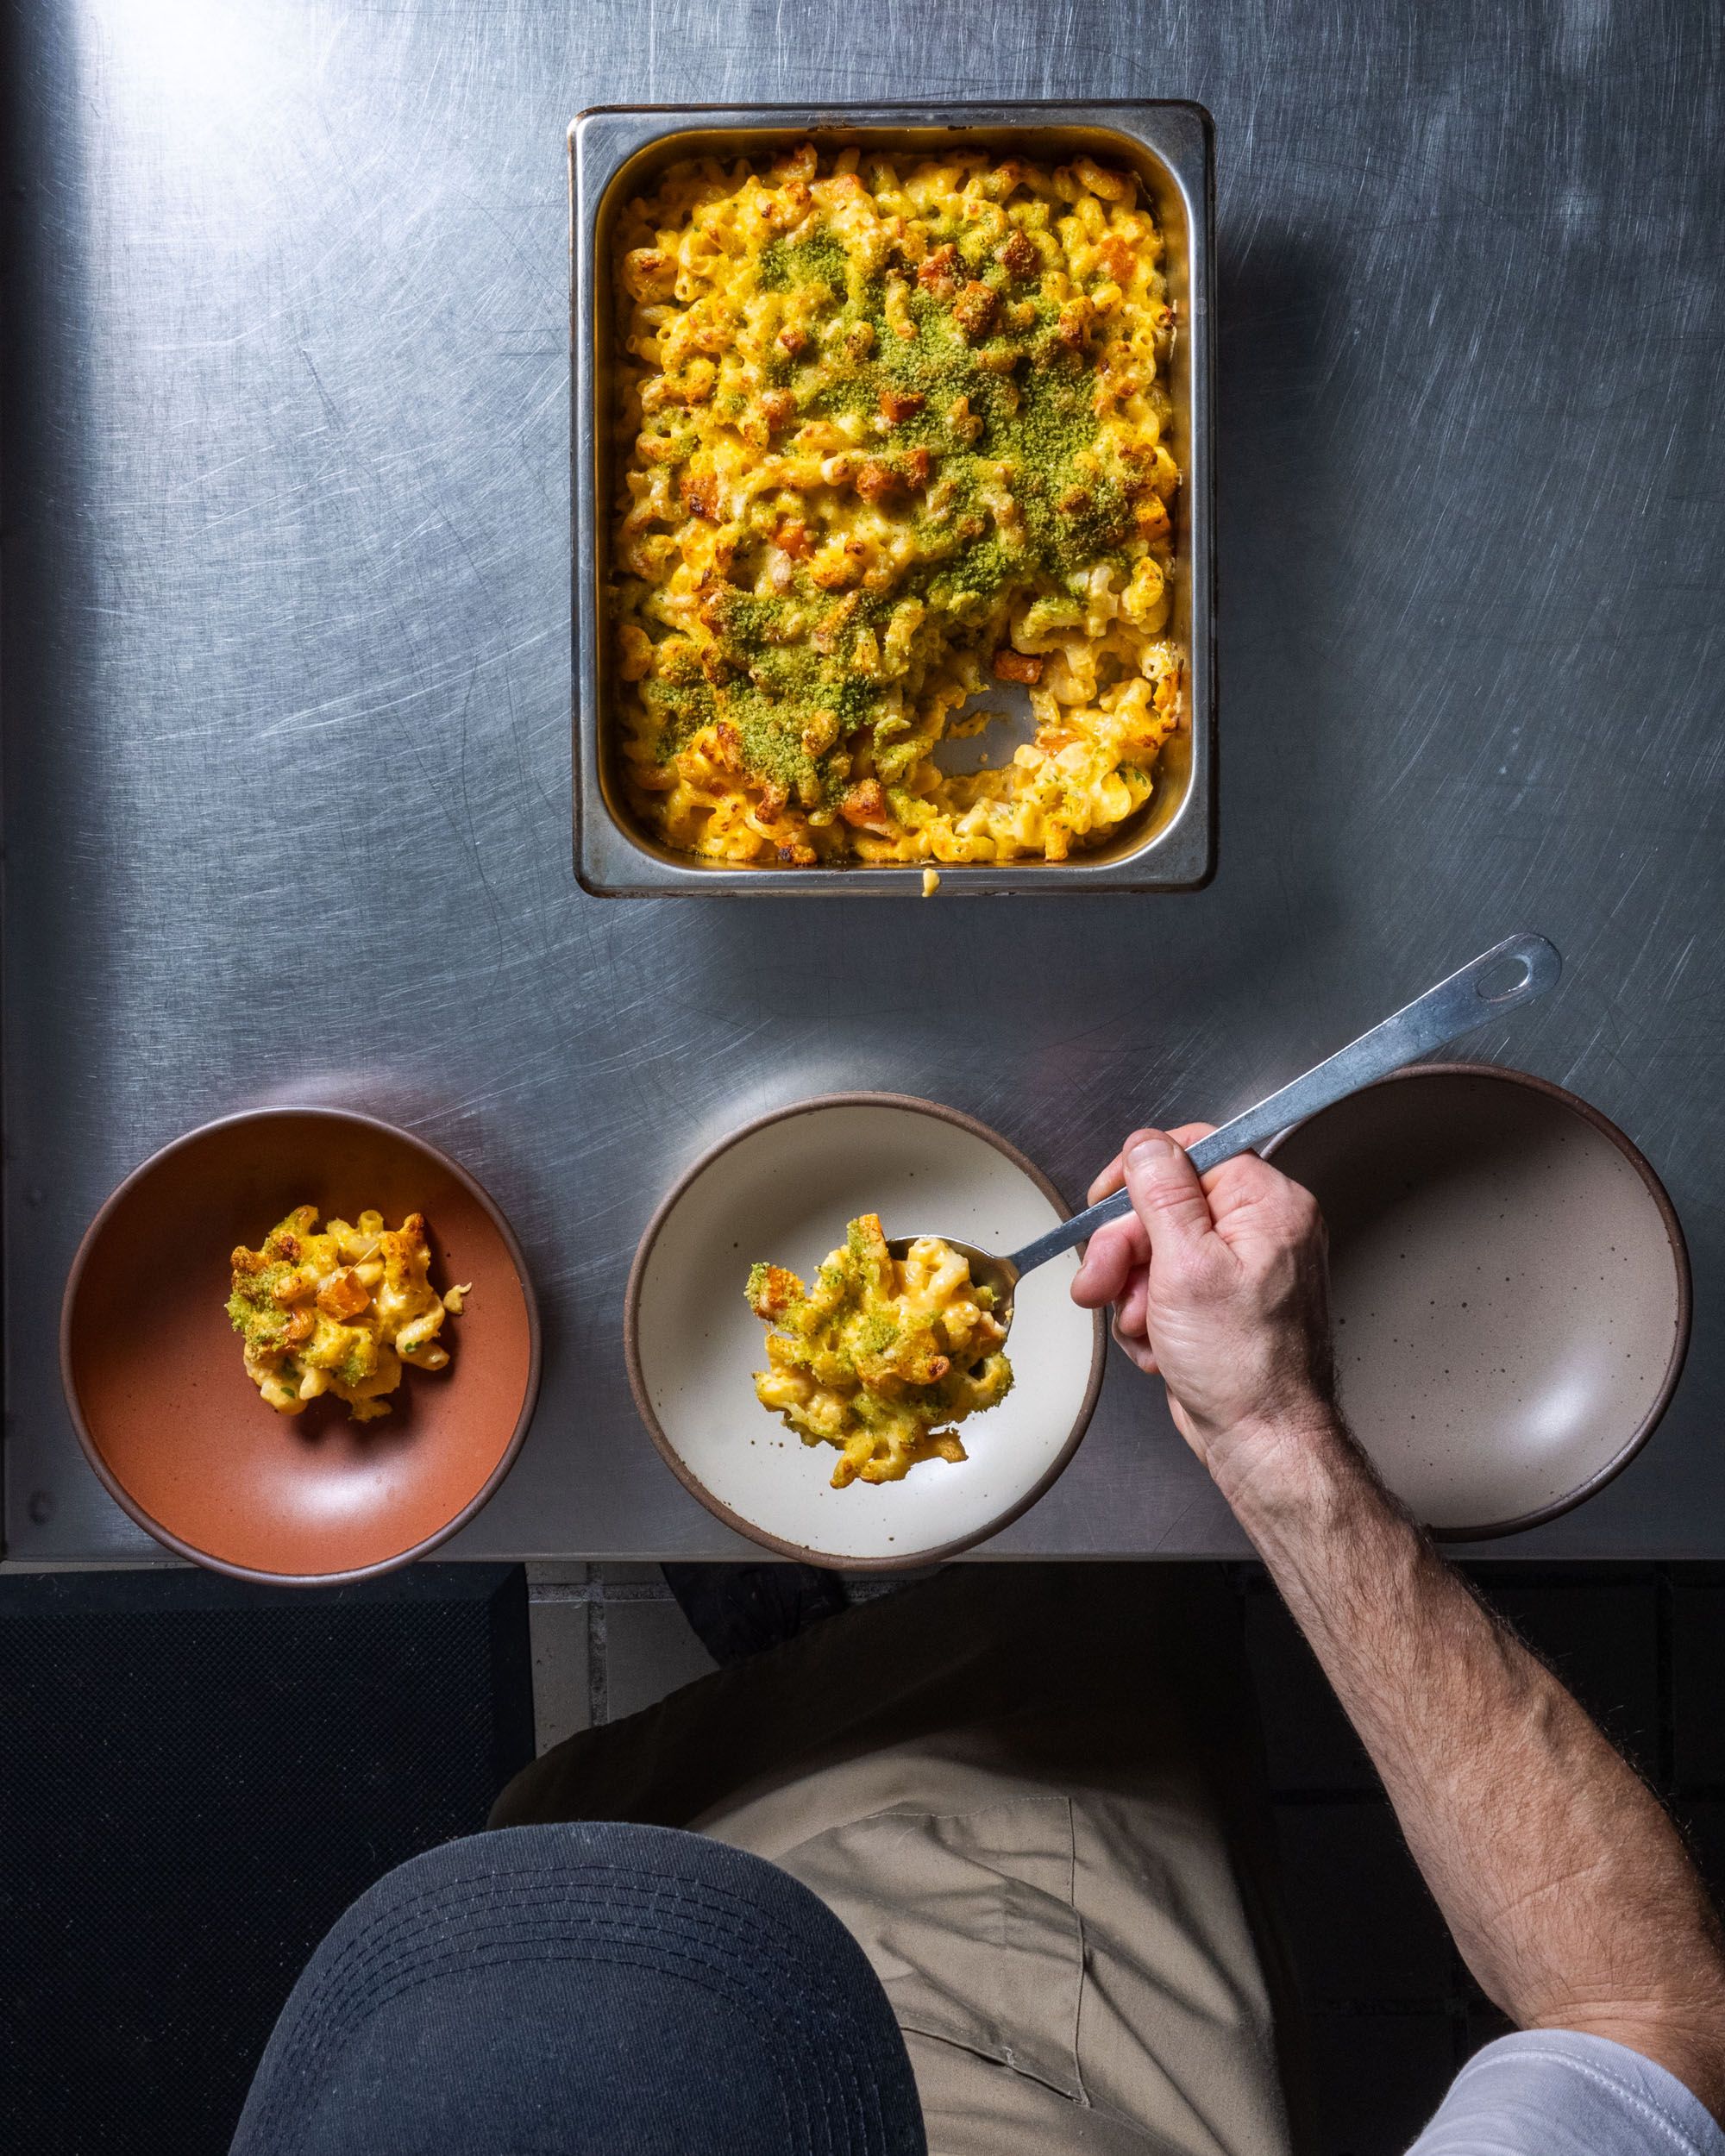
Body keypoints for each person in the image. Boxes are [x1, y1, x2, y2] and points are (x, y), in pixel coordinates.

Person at [232, 1128, 1725, 2156]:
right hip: (1035, 2017)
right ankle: (883, 1636)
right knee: (1054, 1674)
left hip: (608, 1903)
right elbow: (1638, 2014)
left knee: (637, 1799)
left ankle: (786, 1662)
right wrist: (1269, 1431)